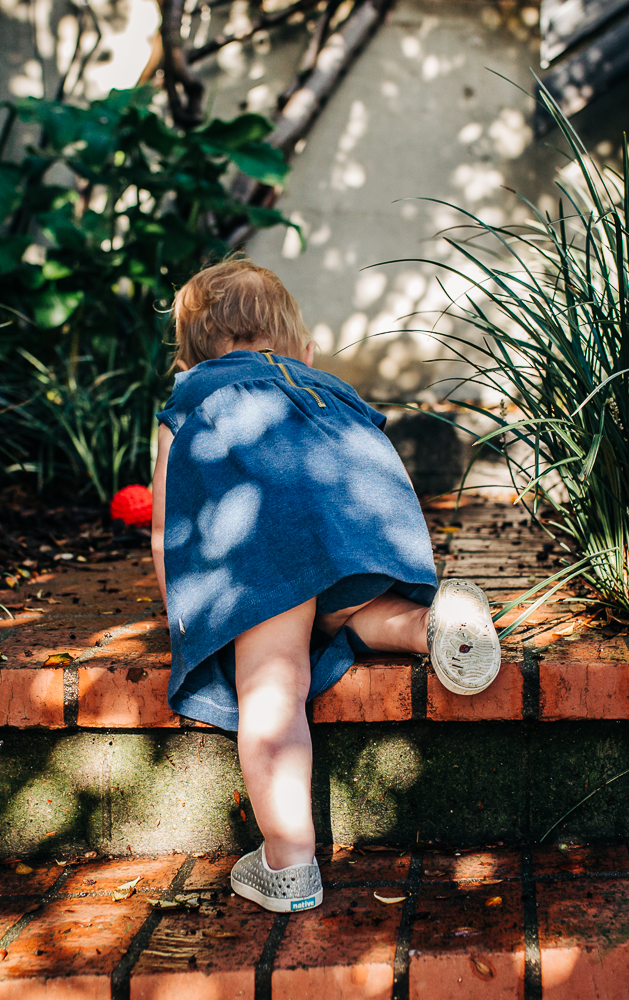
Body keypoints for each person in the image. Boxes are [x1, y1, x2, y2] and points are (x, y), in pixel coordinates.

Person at [150, 259, 500, 913]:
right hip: (355, 524)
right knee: (359, 610)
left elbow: (167, 525)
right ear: (300, 348)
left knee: (273, 681)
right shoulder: (320, 386)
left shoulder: (194, 396)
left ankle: (287, 862)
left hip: (267, 543)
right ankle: (433, 627)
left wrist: (187, 614)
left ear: (187, 359)